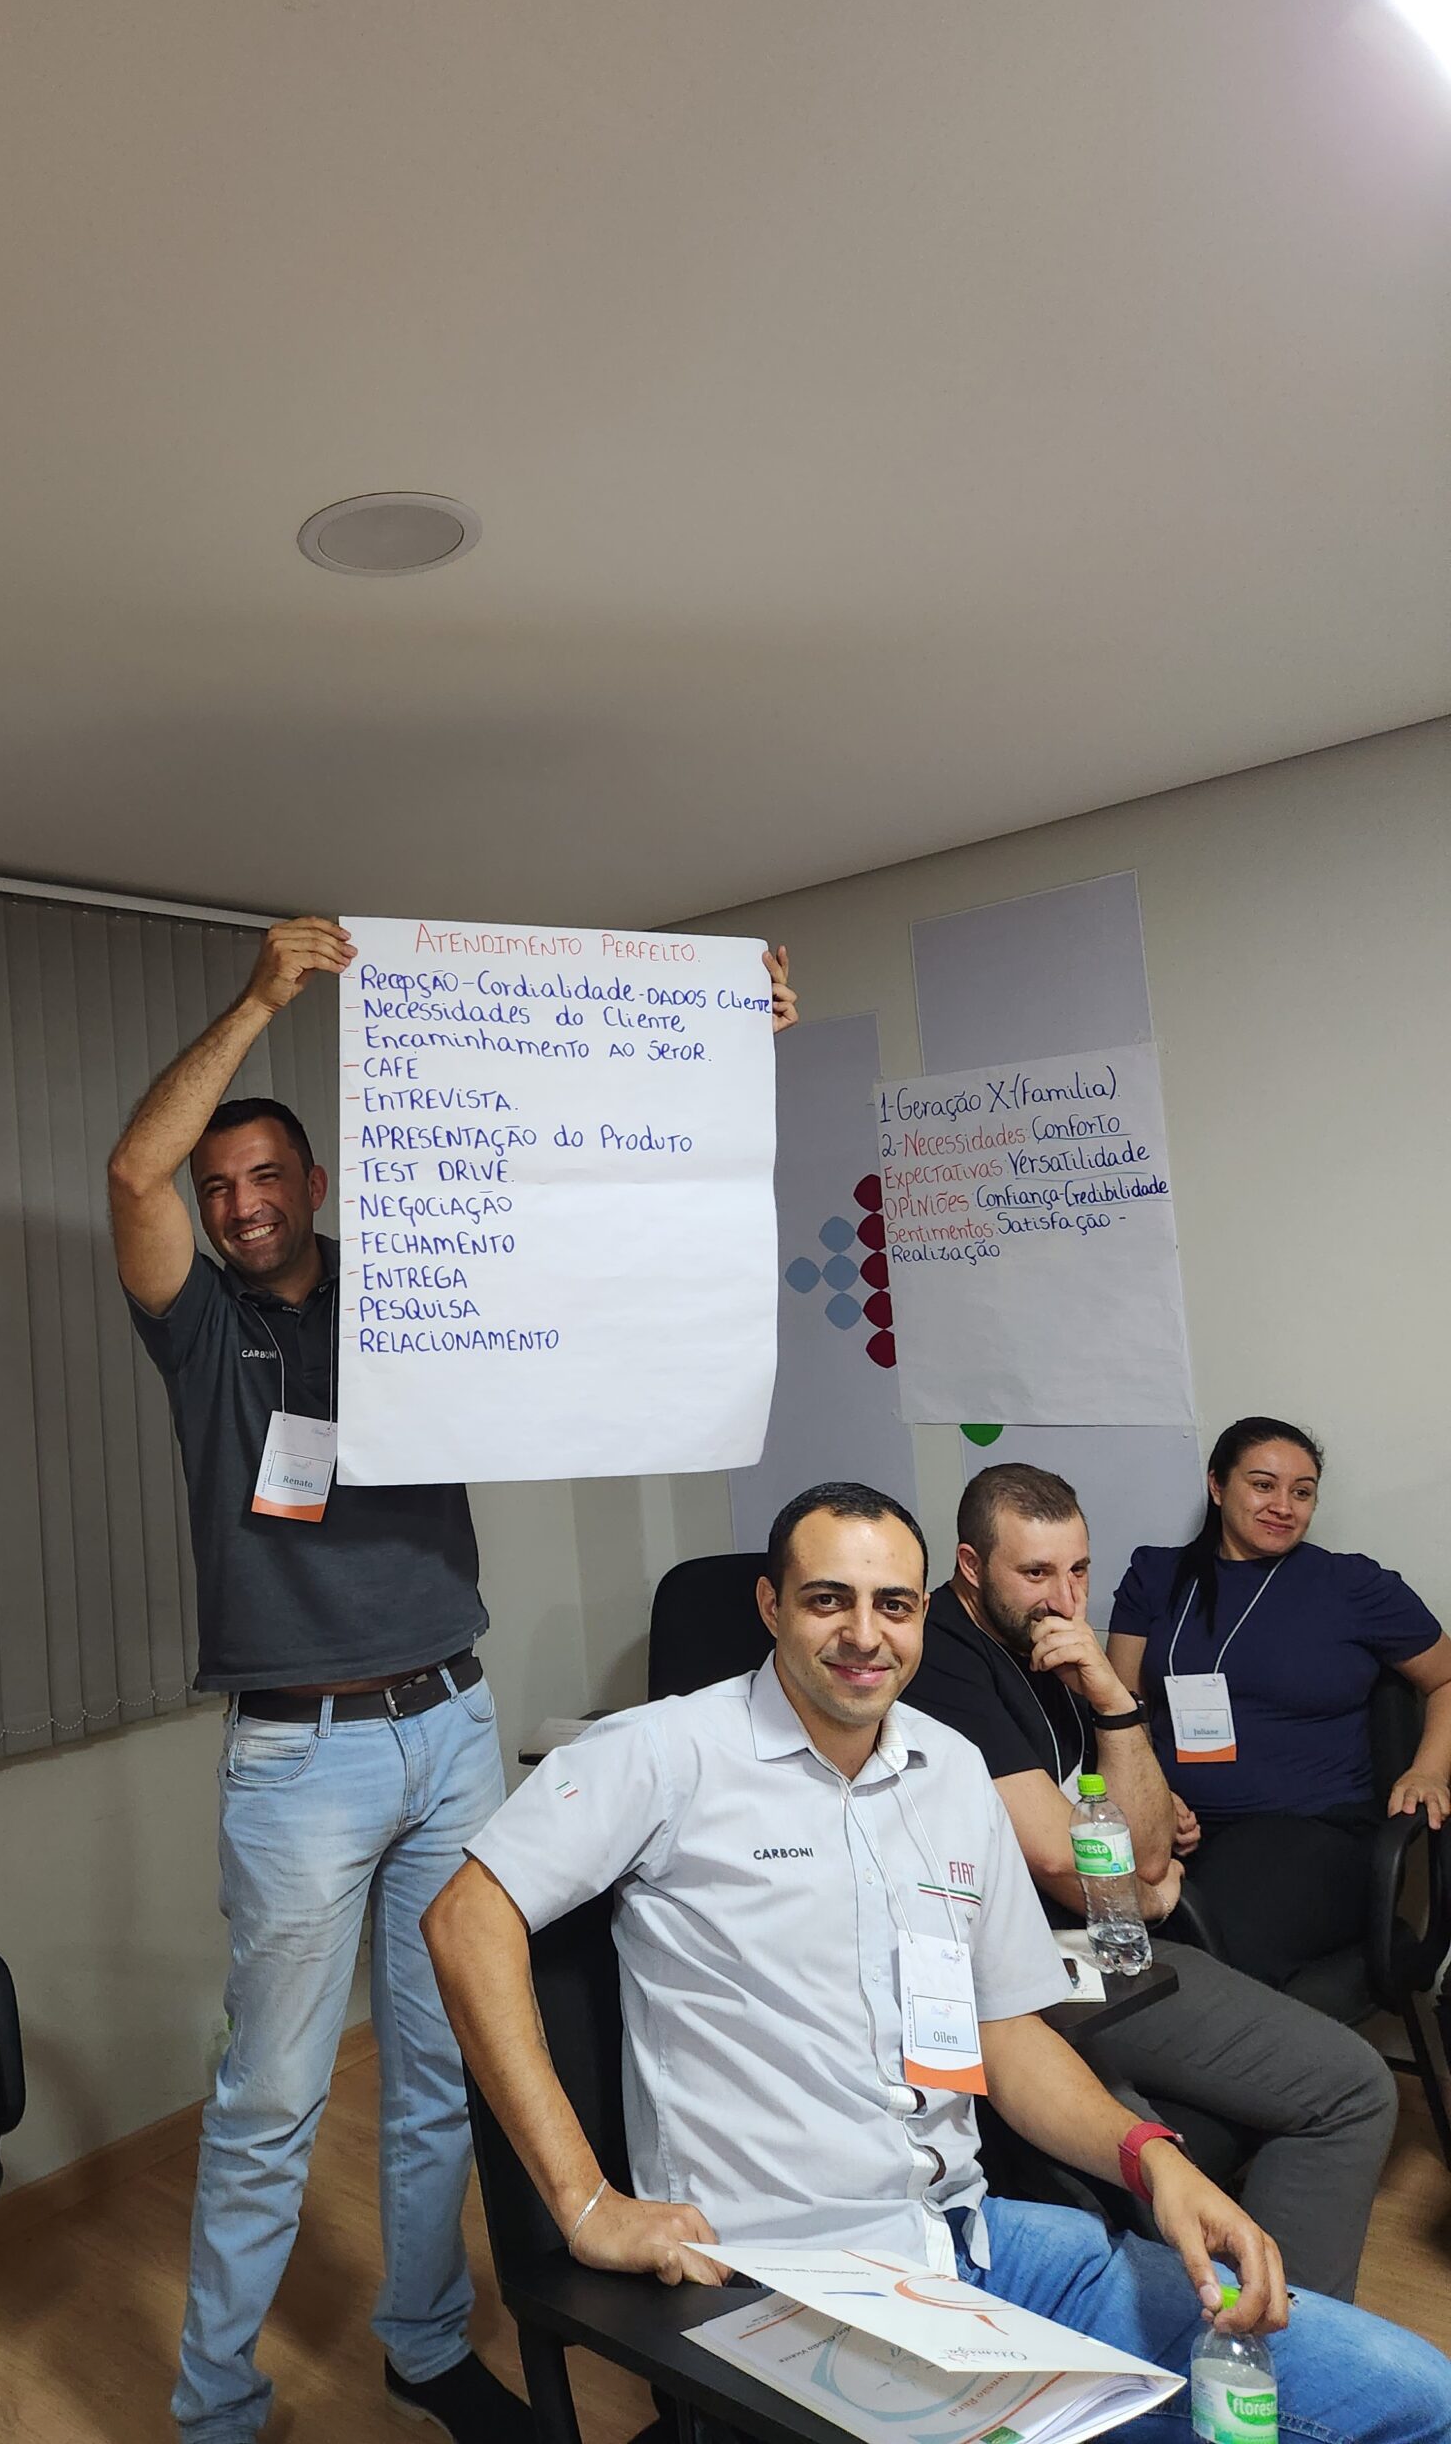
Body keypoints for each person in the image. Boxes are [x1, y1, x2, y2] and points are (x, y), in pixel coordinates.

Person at [109, 916, 798, 2444]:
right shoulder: (201, 1330)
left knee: (444, 2069)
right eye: (220, 1188)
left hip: (452, 1724)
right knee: (271, 2099)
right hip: (301, 1758)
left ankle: (422, 2345)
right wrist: (263, 997)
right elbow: (129, 1174)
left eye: (265, 1176)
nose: (238, 1204)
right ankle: (215, 2410)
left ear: (315, 1185)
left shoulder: (416, 1287)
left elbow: (591, 1226)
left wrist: (715, 1059)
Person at [423, 1481, 1451, 2444]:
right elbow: (465, 1919)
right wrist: (585, 2202)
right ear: (772, 1605)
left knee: (1414, 2396)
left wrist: (1155, 2160)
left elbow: (1004, 2033)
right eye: (828, 1599)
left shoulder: (950, 1769)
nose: (865, 1634)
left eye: (894, 1605)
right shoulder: (667, 1751)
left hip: (970, 2240)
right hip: (793, 2284)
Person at [904, 1461, 1396, 2299]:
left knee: (1351, 2088)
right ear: (971, 1567)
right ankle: (1259, 2343)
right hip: (1023, 1979)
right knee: (1218, 2151)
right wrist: (1142, 1879)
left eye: (1079, 1570)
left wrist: (1111, 1698)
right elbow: (1072, 1863)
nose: (1065, 1599)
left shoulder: (1054, 1645)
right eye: (1036, 1573)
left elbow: (1152, 1847)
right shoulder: (943, 1657)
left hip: (1105, 1950)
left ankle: (1286, 2349)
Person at [1106, 1417, 1451, 1990]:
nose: (1283, 1507)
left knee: (1201, 1946)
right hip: (1170, 1827)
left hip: (1311, 1834)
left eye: (1302, 1492)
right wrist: (1153, 1798)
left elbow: (1446, 1679)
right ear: (1218, 1486)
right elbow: (1120, 1708)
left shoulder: (1353, 1586)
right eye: (1263, 1485)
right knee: (1086, 1926)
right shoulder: (1156, 1576)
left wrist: (1429, 1770)